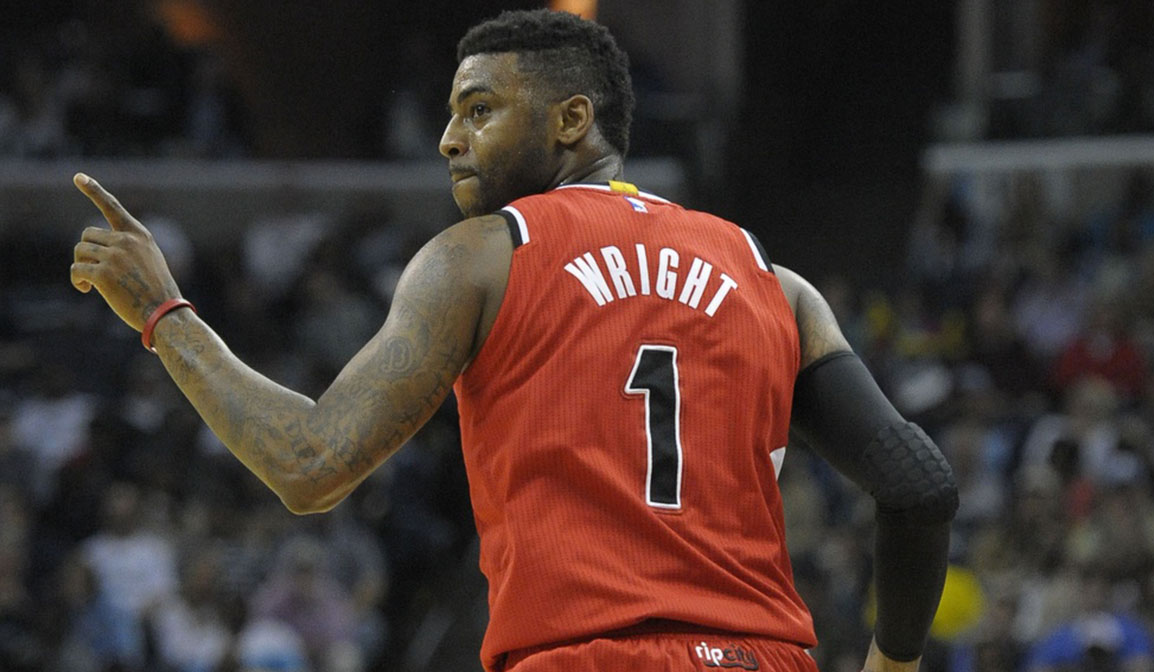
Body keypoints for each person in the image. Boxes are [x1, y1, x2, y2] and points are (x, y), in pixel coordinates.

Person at [69, 9, 957, 672]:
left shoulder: (485, 258)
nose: (450, 138)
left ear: (572, 121)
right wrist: (893, 663)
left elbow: (309, 464)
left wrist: (163, 315)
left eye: (479, 109)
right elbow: (918, 491)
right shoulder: (776, 281)